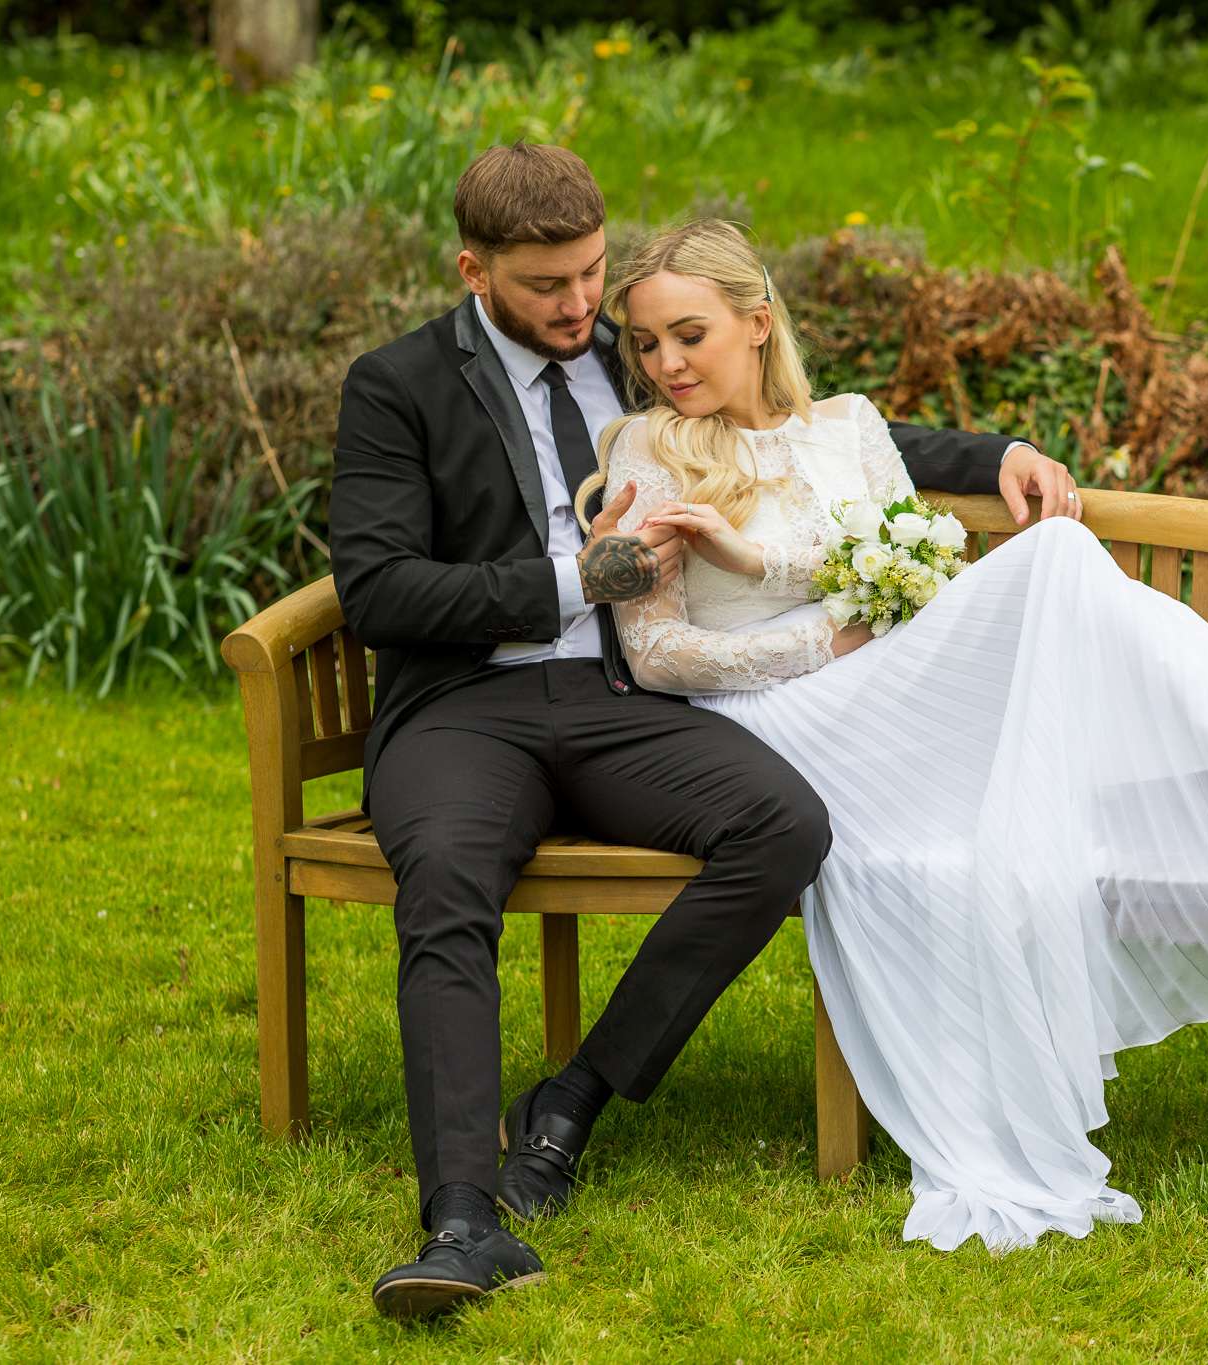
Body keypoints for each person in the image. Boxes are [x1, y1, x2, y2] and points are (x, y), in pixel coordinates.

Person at [580, 219, 1208, 1255]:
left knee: (1054, 557)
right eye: (645, 346)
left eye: (687, 335)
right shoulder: (649, 452)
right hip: (777, 724)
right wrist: (814, 631)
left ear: (756, 319)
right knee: (1053, 562)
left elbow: (904, 588)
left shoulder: (851, 427)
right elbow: (657, 660)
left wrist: (851, 612)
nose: (666, 365)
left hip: (891, 690)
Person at [327, 144, 1082, 1320]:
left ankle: (574, 1098)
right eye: (545, 288)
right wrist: (573, 581)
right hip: (464, 707)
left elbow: (794, 434)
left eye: (590, 279)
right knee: (447, 879)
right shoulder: (397, 384)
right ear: (473, 269)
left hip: (626, 704)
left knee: (782, 825)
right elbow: (377, 590)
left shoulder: (633, 374)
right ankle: (464, 1220)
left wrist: (995, 456)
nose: (580, 309)